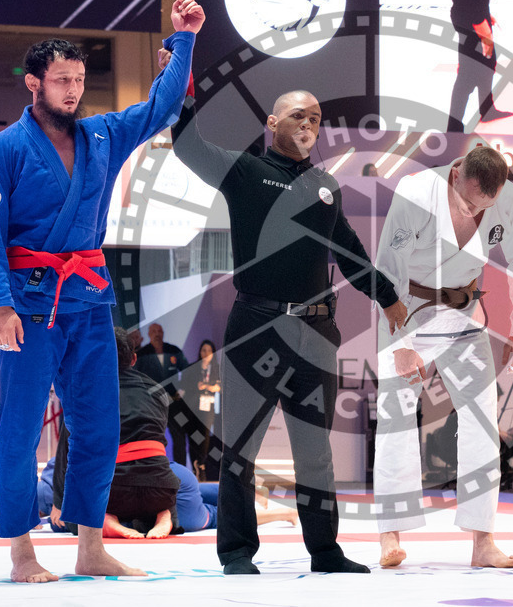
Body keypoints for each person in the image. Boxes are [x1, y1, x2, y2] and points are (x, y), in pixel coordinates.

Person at [0, 0, 204, 583]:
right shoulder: (2, 151)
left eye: (78, 80)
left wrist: (185, 41)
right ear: (33, 84)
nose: (72, 91)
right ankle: (23, 553)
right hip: (27, 302)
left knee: (98, 425)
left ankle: (91, 546)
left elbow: (162, 107)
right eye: (61, 81)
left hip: (90, 301)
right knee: (21, 430)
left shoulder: (102, 137)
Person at [170, 88, 408, 574]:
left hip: (317, 333)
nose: (309, 125)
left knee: (316, 452)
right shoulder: (245, 171)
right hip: (257, 325)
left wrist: (388, 297)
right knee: (240, 447)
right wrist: (182, 85)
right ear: (272, 122)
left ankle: (325, 551)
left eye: (316, 119)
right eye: (299, 115)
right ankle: (236, 553)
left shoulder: (326, 186)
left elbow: (350, 252)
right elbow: (188, 146)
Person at [373, 145, 513, 569]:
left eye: (483, 206)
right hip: (407, 307)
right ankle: (389, 535)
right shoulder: (416, 192)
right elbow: (387, 268)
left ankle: (483, 541)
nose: (473, 213)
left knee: (483, 419)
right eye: (467, 203)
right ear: (455, 175)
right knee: (396, 413)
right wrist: (402, 343)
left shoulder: (509, 201)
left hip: (464, 312)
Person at [51, 327, 185, 540]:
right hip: (160, 490)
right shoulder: (158, 391)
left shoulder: (85, 391)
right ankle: (164, 515)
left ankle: (106, 520)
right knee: (157, 479)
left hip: (112, 492)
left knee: (69, 519)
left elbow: (66, 453)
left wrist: (59, 503)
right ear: (133, 359)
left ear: (96, 357)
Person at [447, 0, 511, 133]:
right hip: (469, 18)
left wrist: (485, 13)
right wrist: (480, 24)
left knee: (489, 60)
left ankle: (487, 108)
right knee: (467, 73)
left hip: (474, 13)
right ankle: (454, 128)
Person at [136, 322, 191, 466]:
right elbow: (134, 376)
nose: (157, 334)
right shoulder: (142, 354)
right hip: (151, 404)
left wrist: (183, 389)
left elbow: (188, 370)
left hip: (174, 402)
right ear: (148, 334)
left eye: (159, 330)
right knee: (150, 437)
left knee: (179, 436)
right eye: (153, 331)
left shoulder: (173, 350)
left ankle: (181, 472)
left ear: (163, 333)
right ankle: (151, 469)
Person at [193, 339, 221, 481]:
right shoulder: (195, 368)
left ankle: (202, 463)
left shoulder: (217, 368)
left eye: (209, 351)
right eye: (203, 350)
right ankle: (197, 463)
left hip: (210, 406)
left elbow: (221, 386)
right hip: (195, 406)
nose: (206, 353)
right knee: (195, 435)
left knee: (206, 435)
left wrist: (212, 387)